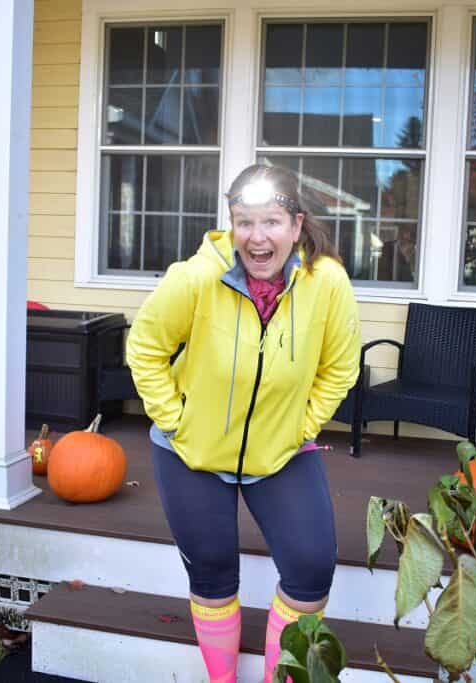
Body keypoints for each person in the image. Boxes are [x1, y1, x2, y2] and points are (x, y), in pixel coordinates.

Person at [126, 163, 361, 683]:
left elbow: (341, 366)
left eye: (271, 222)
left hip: (281, 451)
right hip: (191, 453)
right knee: (211, 574)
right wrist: (177, 420)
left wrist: (303, 424)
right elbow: (145, 348)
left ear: (296, 226)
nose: (257, 237)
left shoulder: (327, 283)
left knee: (311, 569)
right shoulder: (194, 278)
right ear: (231, 224)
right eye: (244, 222)